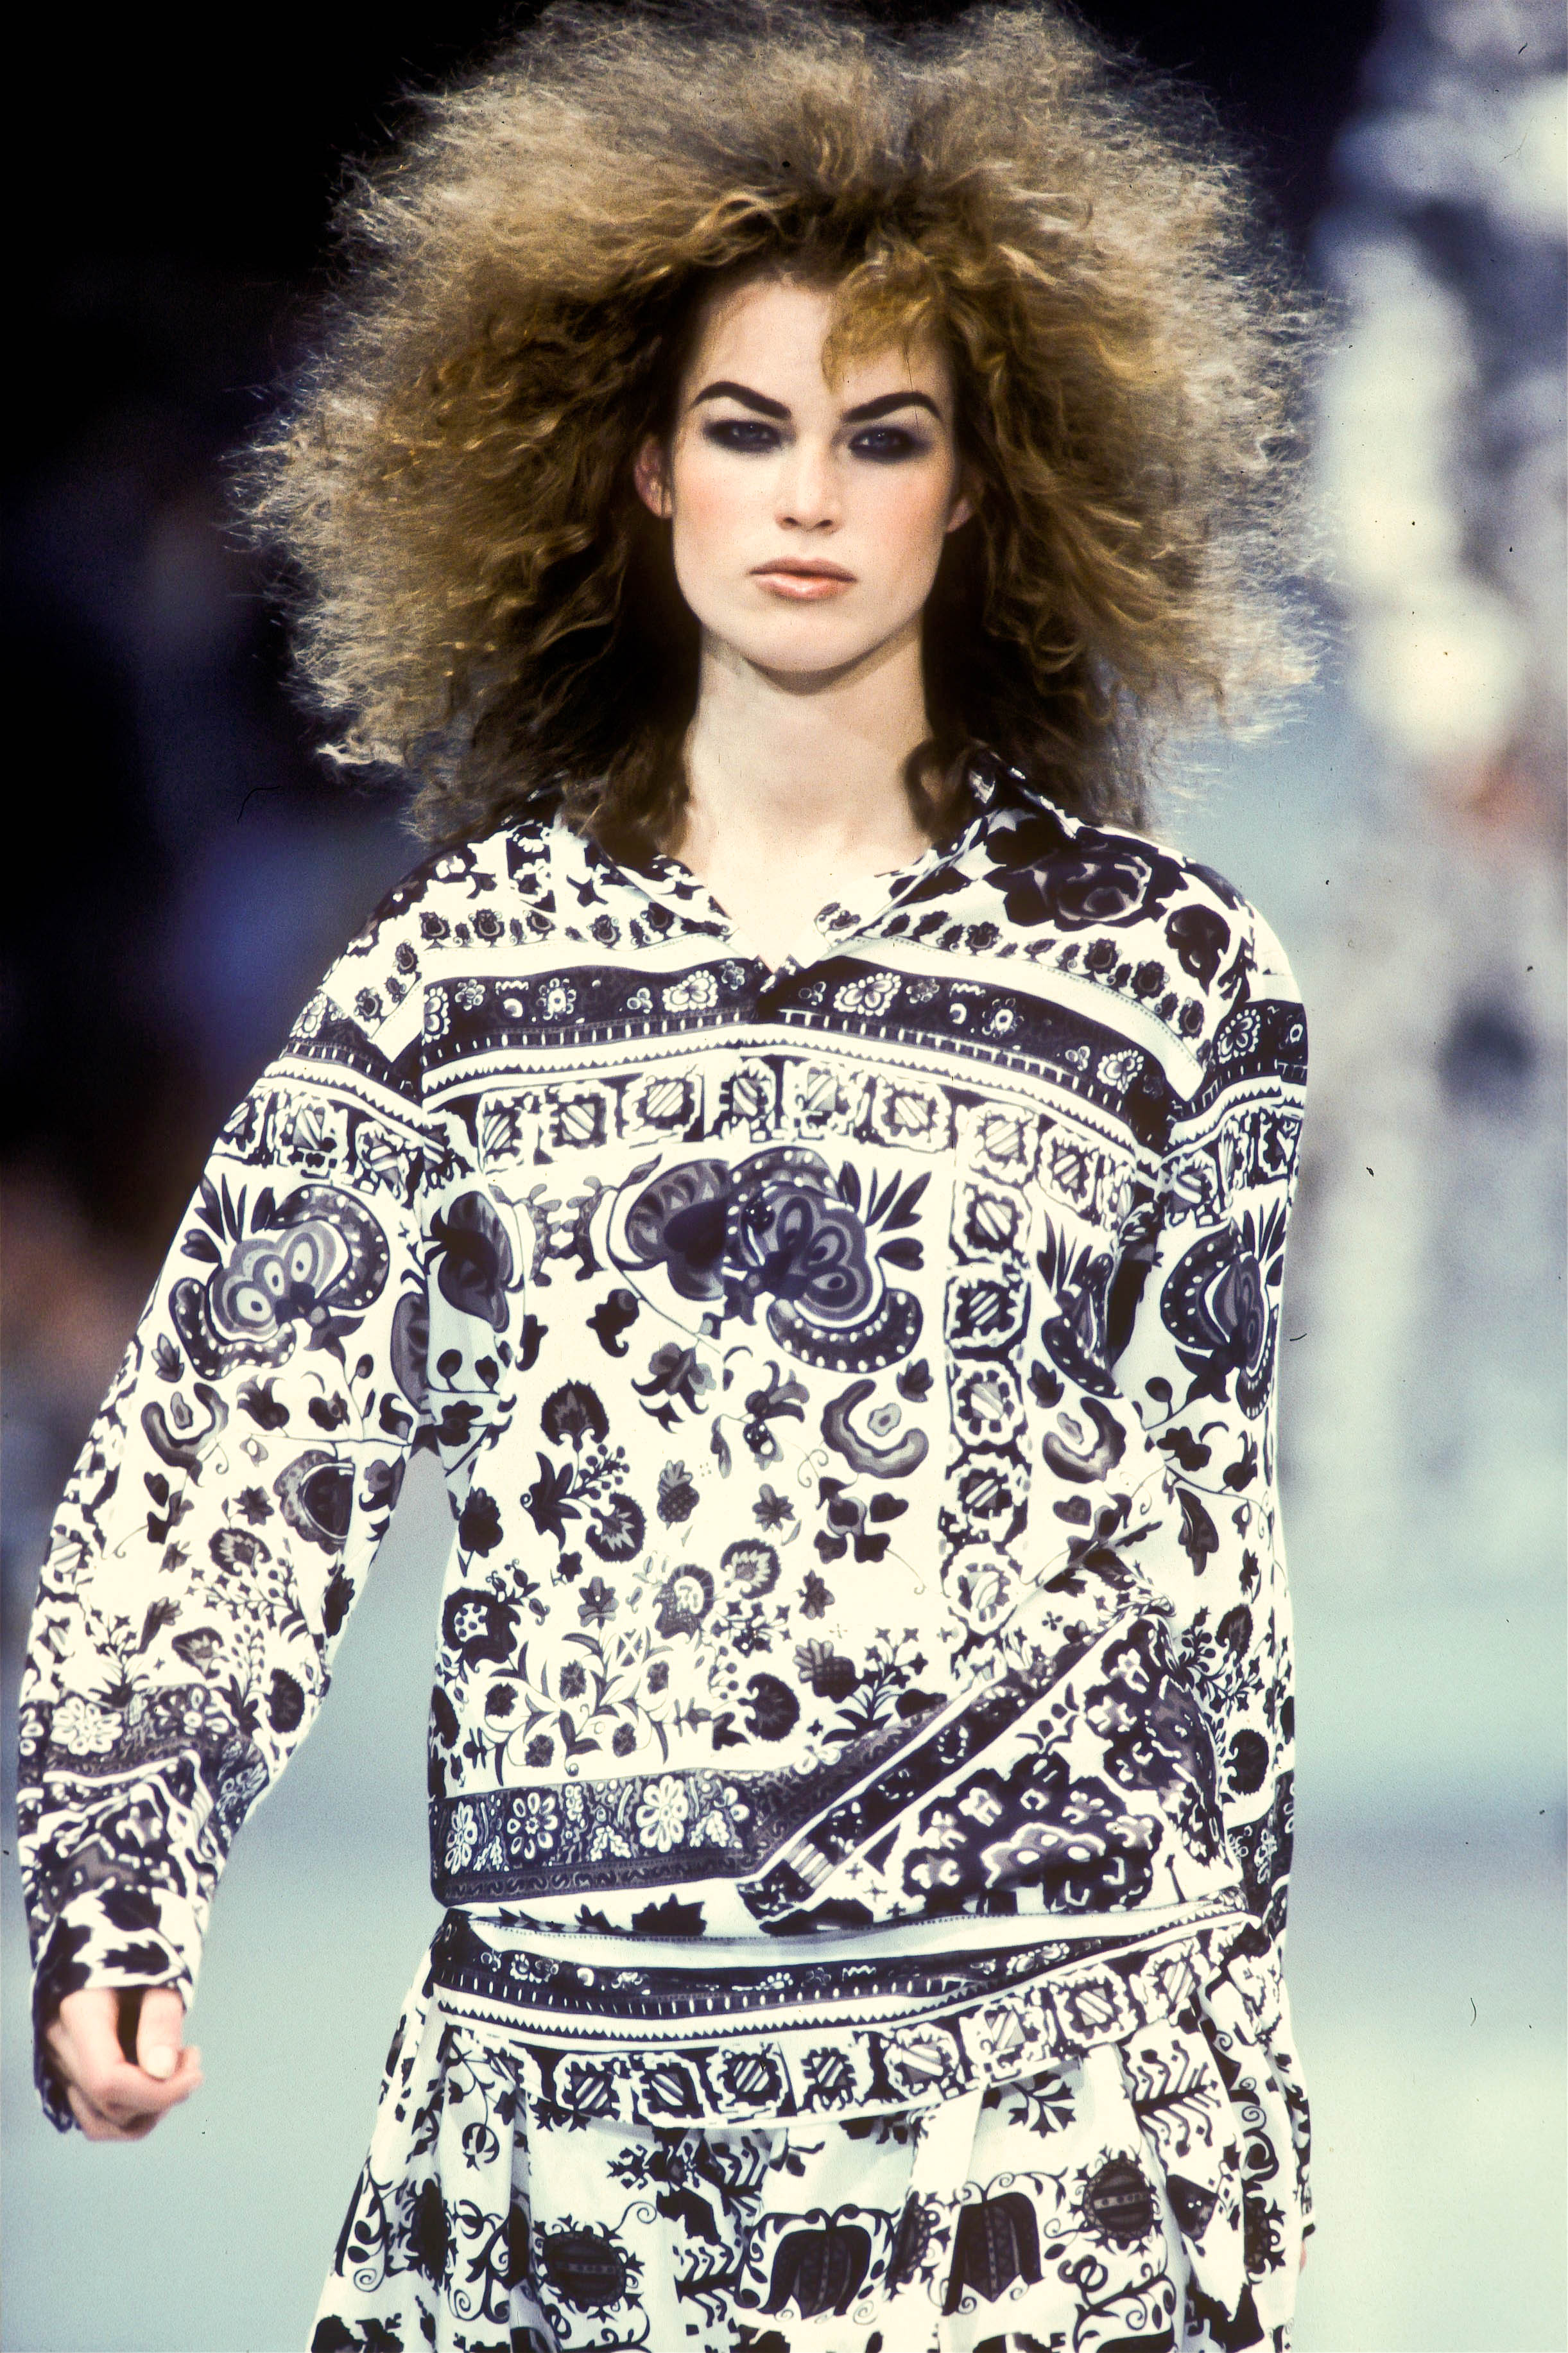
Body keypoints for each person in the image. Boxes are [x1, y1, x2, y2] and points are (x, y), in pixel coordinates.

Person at [19, 4, 1318, 2346]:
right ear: (638, 467)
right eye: (746, 427)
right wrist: (119, 1885)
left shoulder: (1169, 979)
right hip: (566, 2144)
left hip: (1036, 2129)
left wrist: (1240, 2094)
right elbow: (233, 1435)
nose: (809, 497)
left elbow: (1203, 1547)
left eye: (882, 435)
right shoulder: (457, 979)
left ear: (980, 488)